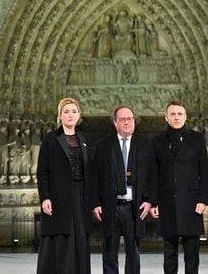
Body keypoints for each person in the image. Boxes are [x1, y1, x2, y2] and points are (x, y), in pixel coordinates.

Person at [92, 105, 157, 274]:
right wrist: (95, 203)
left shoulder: (145, 145)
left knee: (133, 252)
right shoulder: (103, 146)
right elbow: (95, 177)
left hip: (134, 207)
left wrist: (150, 201)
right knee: (109, 252)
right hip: (110, 206)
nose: (127, 122)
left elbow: (153, 176)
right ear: (115, 122)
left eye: (130, 119)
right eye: (122, 119)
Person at [150, 101, 208, 274]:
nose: (176, 117)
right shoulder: (157, 141)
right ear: (166, 117)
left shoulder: (197, 138)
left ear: (185, 116)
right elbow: (154, 174)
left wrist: (203, 199)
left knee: (192, 253)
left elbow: (204, 171)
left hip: (192, 203)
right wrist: (154, 202)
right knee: (169, 253)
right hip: (167, 202)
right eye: (173, 114)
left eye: (180, 114)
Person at [36, 98, 92, 274]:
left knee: (80, 238)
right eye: (66, 111)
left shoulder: (83, 139)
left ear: (79, 115)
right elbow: (42, 171)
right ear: (60, 115)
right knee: (60, 239)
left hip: (80, 196)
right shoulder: (51, 139)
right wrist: (45, 197)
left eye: (74, 111)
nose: (70, 115)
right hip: (59, 196)